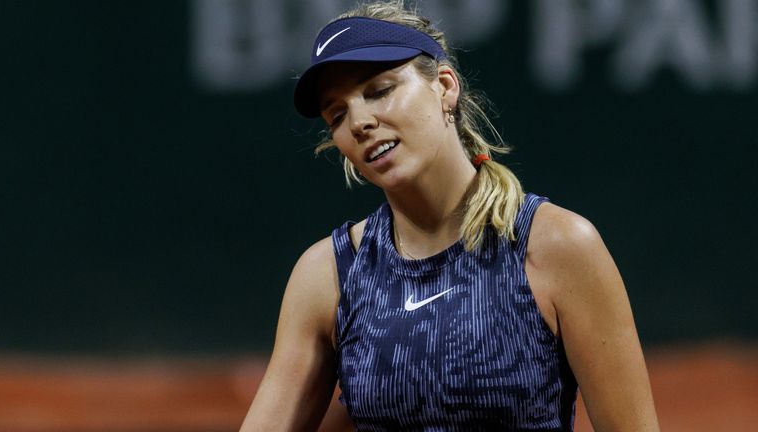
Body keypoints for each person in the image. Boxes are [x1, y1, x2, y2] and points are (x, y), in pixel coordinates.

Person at [240, 1, 659, 431]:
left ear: (444, 86)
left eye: (379, 90)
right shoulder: (326, 275)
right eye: (338, 115)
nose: (360, 122)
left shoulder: (559, 246)